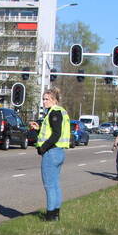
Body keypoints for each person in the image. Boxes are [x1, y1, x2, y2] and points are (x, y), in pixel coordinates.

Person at [30, 87, 70, 221]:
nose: (44, 102)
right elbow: (52, 132)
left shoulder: (54, 113)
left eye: (47, 99)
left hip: (52, 152)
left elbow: (56, 134)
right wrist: (39, 129)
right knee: (55, 184)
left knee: (49, 185)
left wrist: (43, 148)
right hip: (59, 152)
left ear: (54, 100)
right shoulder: (61, 112)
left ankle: (50, 215)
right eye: (43, 99)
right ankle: (56, 214)